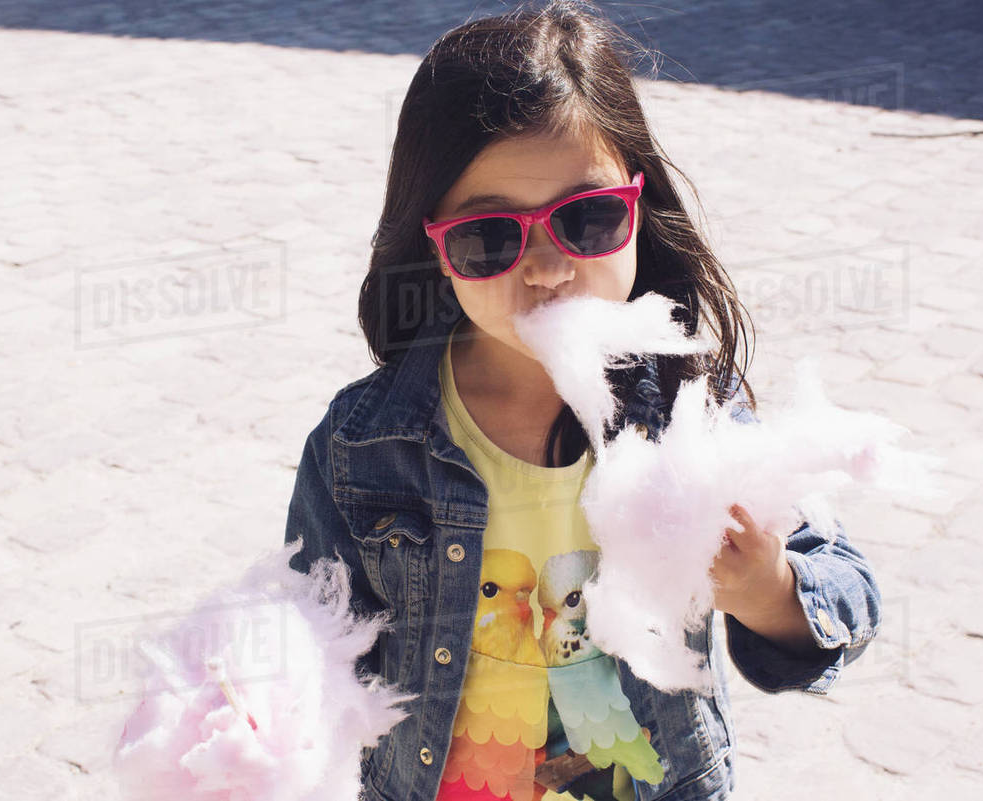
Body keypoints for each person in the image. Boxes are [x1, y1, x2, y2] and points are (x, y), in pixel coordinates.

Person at [283, 2, 882, 800]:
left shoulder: (689, 410)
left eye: (589, 219)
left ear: (639, 208)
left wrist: (767, 588)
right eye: (490, 237)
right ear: (433, 247)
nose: (547, 267)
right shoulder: (362, 446)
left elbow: (847, 590)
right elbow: (311, 637)